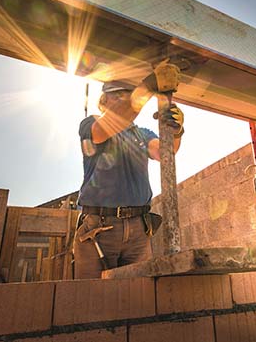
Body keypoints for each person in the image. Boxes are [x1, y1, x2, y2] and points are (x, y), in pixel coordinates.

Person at [73, 62, 184, 279]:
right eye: (119, 96)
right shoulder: (91, 124)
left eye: (128, 95)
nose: (127, 100)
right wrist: (149, 86)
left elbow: (166, 154)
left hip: (138, 230)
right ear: (103, 102)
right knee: (91, 299)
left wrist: (177, 130)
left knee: (138, 296)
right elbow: (106, 127)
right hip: (98, 229)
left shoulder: (142, 134)